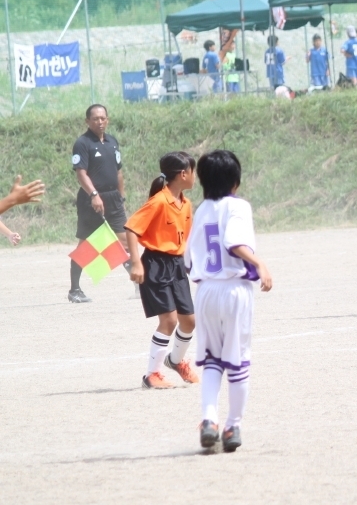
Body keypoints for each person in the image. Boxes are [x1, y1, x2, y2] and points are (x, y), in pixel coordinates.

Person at [185, 150, 272, 452]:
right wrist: (259, 263)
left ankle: (209, 419)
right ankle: (233, 425)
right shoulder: (238, 206)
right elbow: (234, 242)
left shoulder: (201, 210)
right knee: (238, 360)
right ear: (235, 182)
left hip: (207, 291)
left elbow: (188, 258)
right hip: (234, 289)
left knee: (212, 359)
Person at [125, 152, 199, 389]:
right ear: (183, 174)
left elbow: (185, 239)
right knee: (169, 320)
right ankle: (152, 375)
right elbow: (132, 229)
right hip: (156, 264)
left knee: (189, 321)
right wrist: (136, 263)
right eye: (193, 171)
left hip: (176, 265)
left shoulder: (186, 204)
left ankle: (175, 361)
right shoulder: (158, 201)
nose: (195, 176)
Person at [70, 105, 132, 303]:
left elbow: (119, 172)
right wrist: (94, 195)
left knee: (126, 241)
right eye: (95, 118)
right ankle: (74, 290)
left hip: (113, 199)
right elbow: (81, 174)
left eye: (103, 118)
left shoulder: (112, 141)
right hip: (92, 201)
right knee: (86, 244)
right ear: (87, 121)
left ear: (108, 119)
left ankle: (139, 285)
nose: (100, 122)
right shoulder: (82, 143)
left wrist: (121, 197)